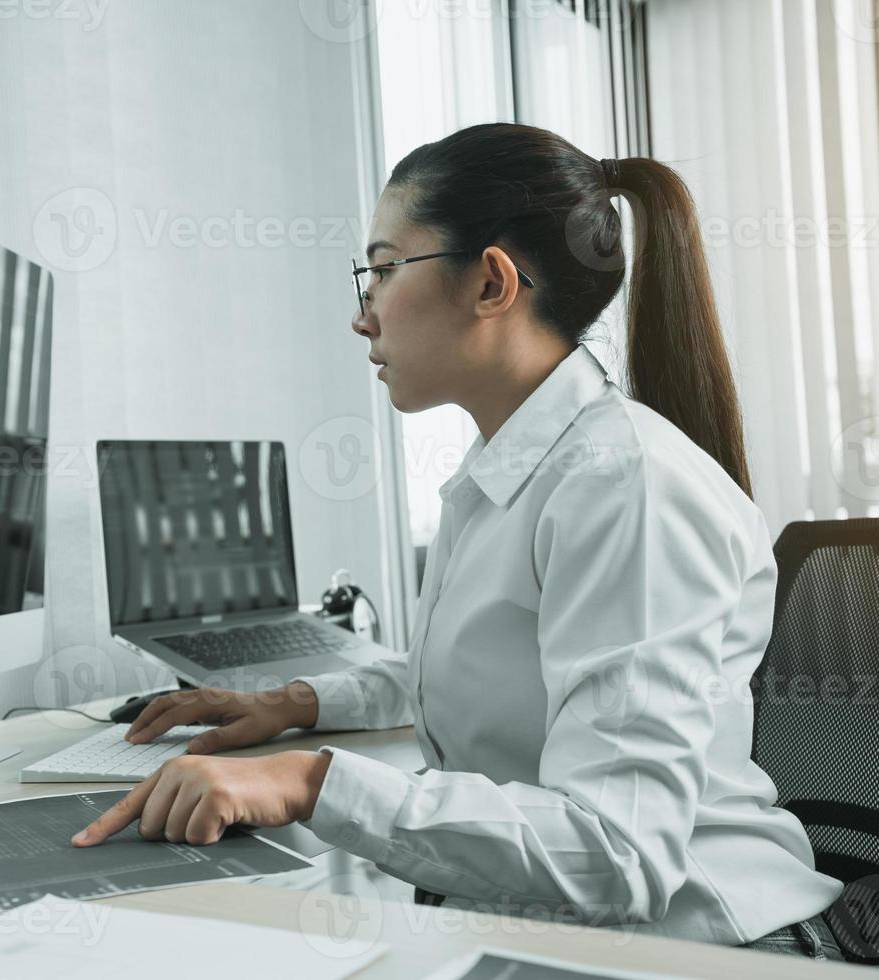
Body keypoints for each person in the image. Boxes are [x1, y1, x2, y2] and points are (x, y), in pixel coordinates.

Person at [70, 122, 844, 957]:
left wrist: (311, 780)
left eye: (384, 268)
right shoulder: (513, 464)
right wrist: (295, 706)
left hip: (694, 945)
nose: (361, 314)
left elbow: (617, 855)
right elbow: (493, 671)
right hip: (560, 928)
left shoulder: (623, 487)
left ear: (491, 283)